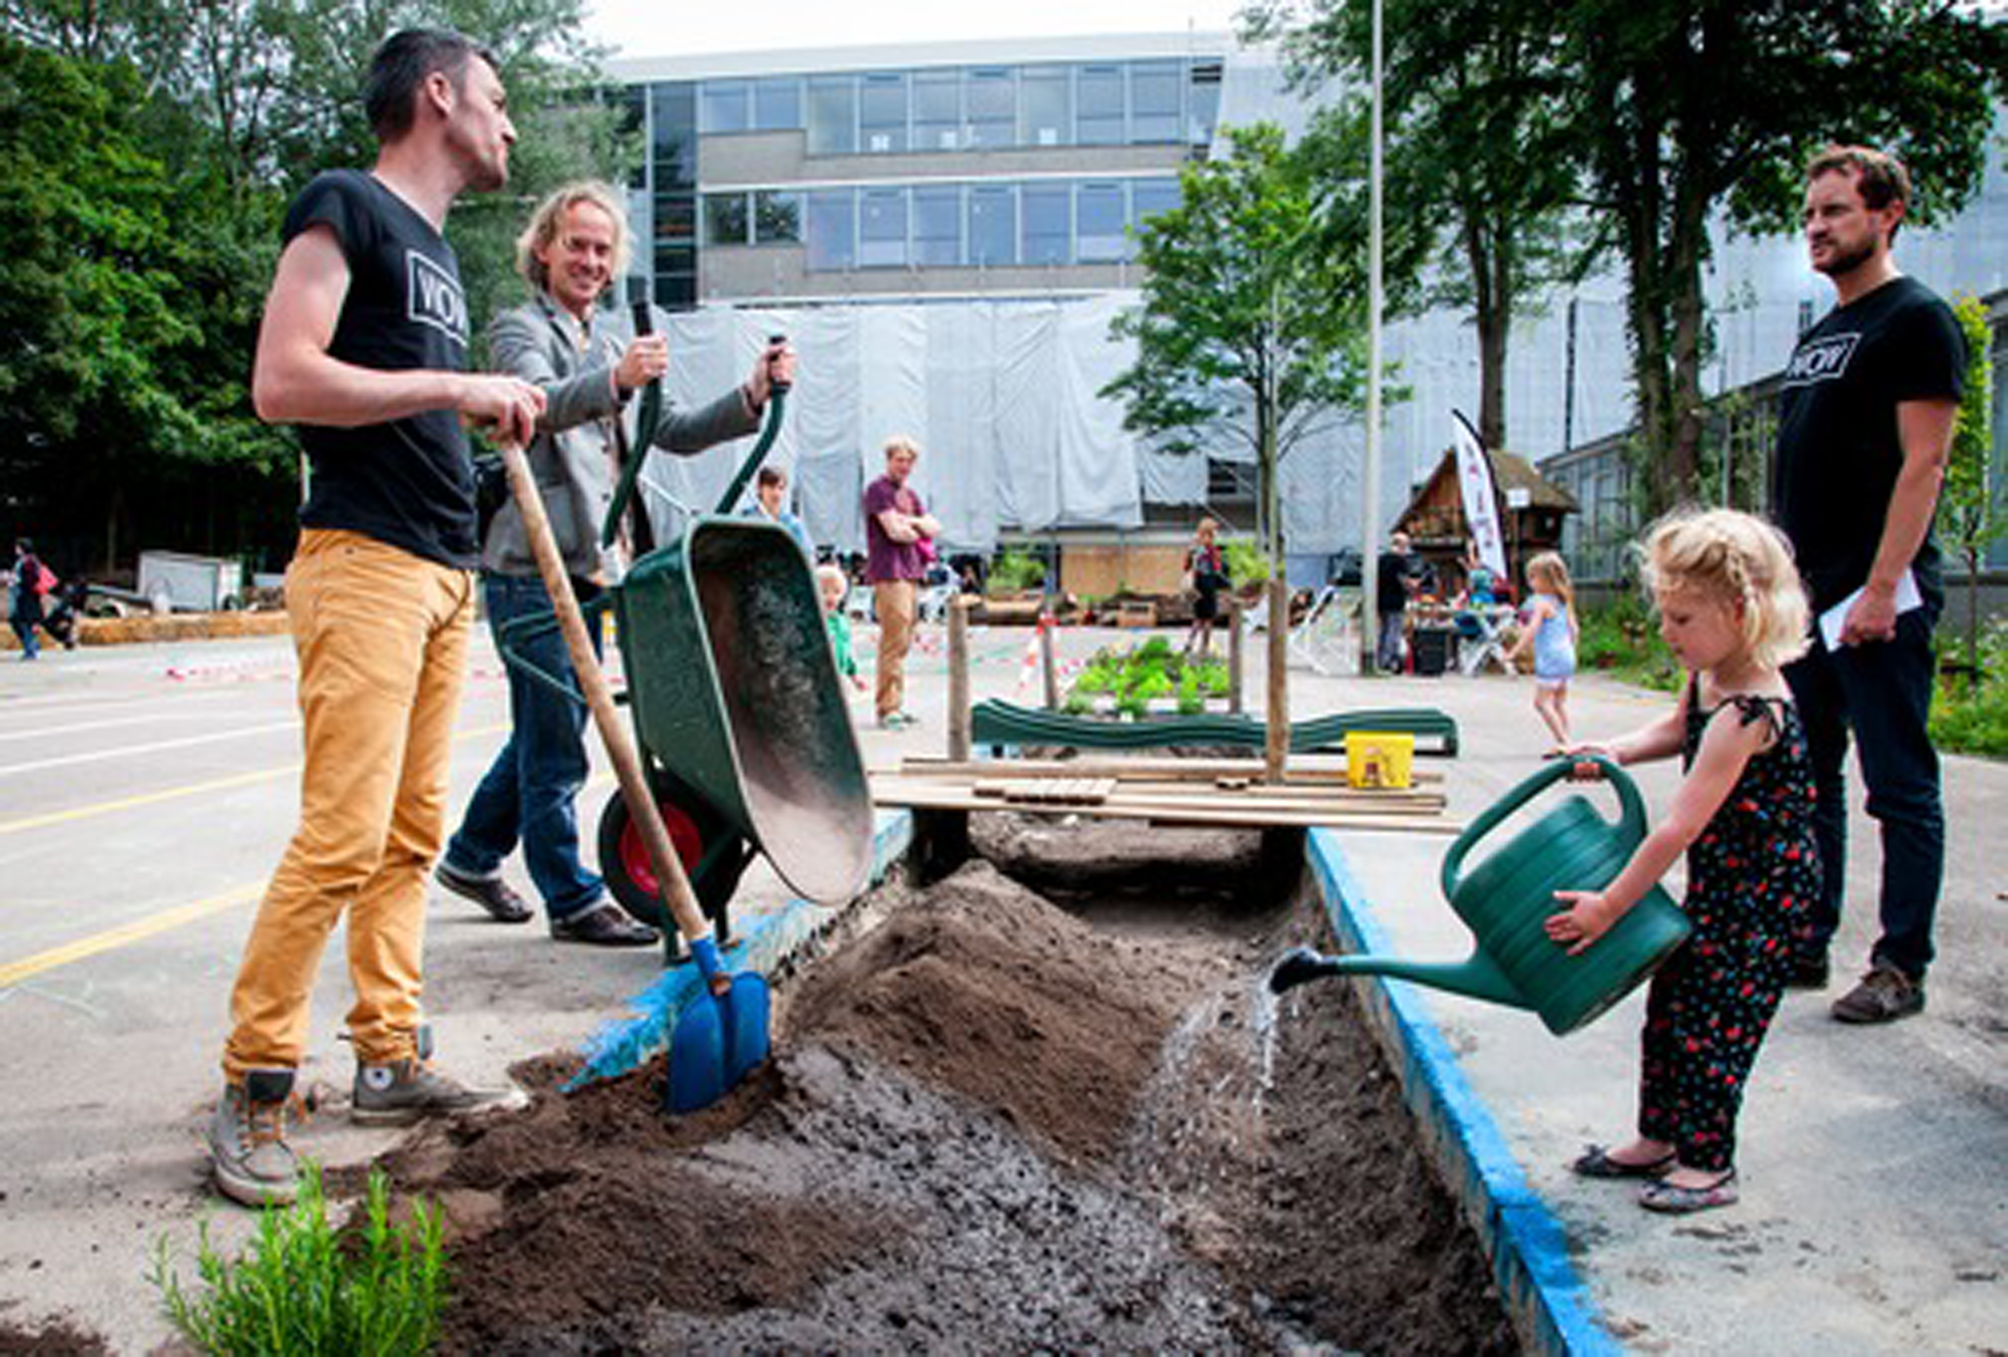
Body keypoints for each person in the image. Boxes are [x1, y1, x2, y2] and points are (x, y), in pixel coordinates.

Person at [208, 28, 551, 1210]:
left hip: (444, 572)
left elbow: (400, 395)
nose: (509, 125)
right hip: (360, 565)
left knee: (410, 838)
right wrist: (456, 388)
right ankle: (255, 1080)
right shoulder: (344, 205)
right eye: (497, 101)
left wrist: (476, 415)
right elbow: (283, 380)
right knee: (341, 837)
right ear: (440, 94)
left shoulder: (444, 256)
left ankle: (388, 1053)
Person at [434, 181, 787, 948]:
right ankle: (569, 896)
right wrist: (618, 380)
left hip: (592, 566)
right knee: (557, 734)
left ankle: (469, 855)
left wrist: (750, 395)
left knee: (548, 723)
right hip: (530, 564)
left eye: (602, 249)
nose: (590, 261)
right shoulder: (520, 326)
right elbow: (535, 400)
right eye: (576, 246)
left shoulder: (602, 342)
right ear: (544, 250)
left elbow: (676, 429)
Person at [1548, 508, 1817, 1215]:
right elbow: (1674, 729)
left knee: (1714, 1021)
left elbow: (1676, 827)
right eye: (1664, 614)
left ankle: (1708, 1162)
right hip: (1725, 885)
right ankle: (1659, 1135)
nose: (1666, 632)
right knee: (1669, 1009)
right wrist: (1612, 750)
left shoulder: (1749, 713)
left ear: (1741, 611)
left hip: (1766, 898)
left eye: (1682, 619)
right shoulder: (1709, 681)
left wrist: (1610, 905)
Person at [1771, 146, 1965, 1024]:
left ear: (1886, 215)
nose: (1817, 227)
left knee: (1897, 783)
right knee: (1810, 776)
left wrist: (1884, 588)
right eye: (1810, 215)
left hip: (1874, 595)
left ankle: (1899, 963)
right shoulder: (1821, 337)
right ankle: (1807, 938)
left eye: (1836, 211)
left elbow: (1923, 464)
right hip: (1806, 600)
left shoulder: (1915, 320)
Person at [862, 435, 940, 730]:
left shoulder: (910, 495)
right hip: (888, 571)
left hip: (911, 571)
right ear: (888, 460)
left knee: (905, 637)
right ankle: (887, 707)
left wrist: (913, 524)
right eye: (899, 459)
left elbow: (934, 527)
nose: (904, 466)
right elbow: (895, 532)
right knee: (894, 638)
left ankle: (896, 702)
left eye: (909, 461)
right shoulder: (877, 490)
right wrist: (916, 526)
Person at [1510, 551, 1579, 752]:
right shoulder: (1564, 601)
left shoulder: (1541, 603)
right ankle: (1563, 741)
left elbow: (1532, 630)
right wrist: (1572, 650)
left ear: (1546, 579)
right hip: (1567, 655)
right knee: (1558, 703)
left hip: (1550, 656)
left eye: (1533, 577)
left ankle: (1564, 742)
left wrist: (1514, 651)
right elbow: (1574, 629)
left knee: (1541, 703)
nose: (1530, 582)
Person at [1182, 517, 1230, 659]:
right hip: (1208, 584)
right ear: (1209, 531)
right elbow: (1216, 568)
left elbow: (1185, 566)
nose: (1216, 532)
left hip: (1196, 584)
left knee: (1198, 617)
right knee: (1208, 618)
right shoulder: (1210, 549)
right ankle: (1204, 647)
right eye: (1215, 530)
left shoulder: (1193, 546)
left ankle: (1190, 642)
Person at [816, 563, 867, 693]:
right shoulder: (814, 619)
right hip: (818, 676)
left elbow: (847, 649)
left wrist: (855, 676)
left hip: (839, 677)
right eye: (824, 591)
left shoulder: (841, 621)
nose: (831, 596)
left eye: (836, 592)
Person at [740, 465, 812, 557]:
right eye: (771, 487)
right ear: (759, 488)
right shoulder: (745, 519)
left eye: (780, 488)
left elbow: (806, 555)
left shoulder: (793, 524)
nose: (776, 493)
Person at [1374, 531, 1419, 673]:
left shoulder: (1381, 559)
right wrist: (1413, 584)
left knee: (1384, 631)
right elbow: (1404, 581)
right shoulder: (1400, 561)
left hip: (1381, 600)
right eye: (1406, 545)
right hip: (1395, 600)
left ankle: (1380, 659)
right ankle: (1388, 661)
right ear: (1402, 545)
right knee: (1394, 631)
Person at [9, 539, 50, 660]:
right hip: (23, 596)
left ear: (23, 548)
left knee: (27, 623)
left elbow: (31, 580)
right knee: (20, 621)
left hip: (28, 597)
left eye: (18, 547)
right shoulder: (23, 561)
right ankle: (32, 646)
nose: (16, 549)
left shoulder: (30, 562)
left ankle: (30, 650)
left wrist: (16, 581)